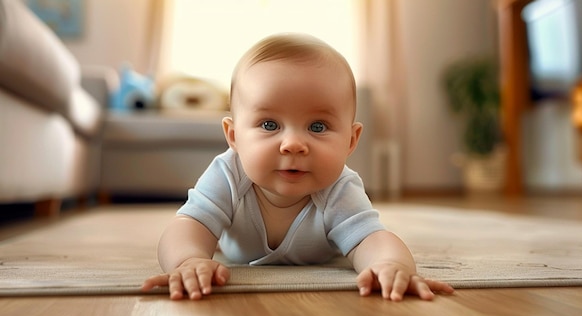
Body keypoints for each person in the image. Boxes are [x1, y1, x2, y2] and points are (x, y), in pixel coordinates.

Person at [142, 33, 454, 301]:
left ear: (350, 139)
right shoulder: (228, 173)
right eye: (269, 124)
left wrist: (391, 265)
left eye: (317, 126)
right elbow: (189, 225)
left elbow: (370, 239)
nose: (292, 144)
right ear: (234, 136)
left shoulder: (339, 188)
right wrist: (188, 260)